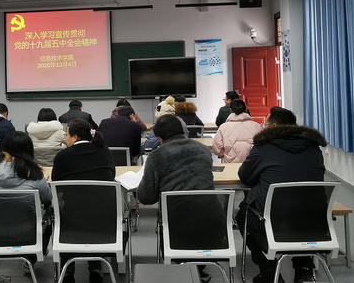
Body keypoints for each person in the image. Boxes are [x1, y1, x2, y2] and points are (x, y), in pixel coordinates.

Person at [235, 107, 327, 283]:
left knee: (243, 216)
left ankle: (269, 272)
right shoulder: (313, 147)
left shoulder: (263, 147)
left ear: (274, 126)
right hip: (314, 220)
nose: (263, 127)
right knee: (300, 211)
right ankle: (304, 269)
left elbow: (245, 177)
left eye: (265, 124)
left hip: (275, 219)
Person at [137, 115, 217, 283]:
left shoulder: (157, 156)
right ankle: (197, 269)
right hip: (212, 222)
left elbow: (146, 197)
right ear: (183, 131)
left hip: (176, 225)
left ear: (160, 138)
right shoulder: (203, 150)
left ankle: (180, 269)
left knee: (172, 217)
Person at [52, 118, 115, 283]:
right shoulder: (105, 152)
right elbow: (111, 177)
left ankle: (67, 272)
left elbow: (57, 185)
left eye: (67, 135)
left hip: (71, 218)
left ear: (75, 137)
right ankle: (95, 269)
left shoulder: (62, 157)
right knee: (92, 214)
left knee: (64, 216)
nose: (65, 138)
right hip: (103, 218)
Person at [0, 131, 52, 267]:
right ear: (28, 151)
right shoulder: (35, 174)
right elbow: (47, 198)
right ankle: (32, 258)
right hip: (27, 232)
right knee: (50, 213)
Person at [212, 99, 262, 163]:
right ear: (246, 110)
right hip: (252, 166)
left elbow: (217, 150)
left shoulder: (223, 127)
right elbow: (263, 148)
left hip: (229, 166)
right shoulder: (257, 127)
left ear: (230, 111)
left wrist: (228, 154)